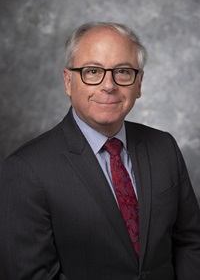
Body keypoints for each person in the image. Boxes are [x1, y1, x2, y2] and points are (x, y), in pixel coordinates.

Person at [0, 22, 200, 280]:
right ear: (68, 81)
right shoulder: (25, 170)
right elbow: (31, 275)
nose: (109, 85)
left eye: (123, 71)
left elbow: (190, 242)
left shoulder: (165, 147)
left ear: (138, 83)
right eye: (92, 71)